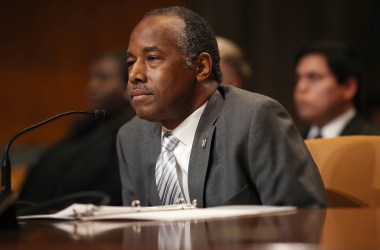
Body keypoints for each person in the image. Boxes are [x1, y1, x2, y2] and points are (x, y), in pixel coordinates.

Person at [117, 6, 328, 208]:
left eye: (152, 58)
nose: (135, 74)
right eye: (130, 62)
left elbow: (303, 216)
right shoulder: (131, 136)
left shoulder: (254, 118)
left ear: (201, 67)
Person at [20, 51, 135, 205]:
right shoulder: (82, 128)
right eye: (91, 78)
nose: (92, 86)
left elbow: (115, 190)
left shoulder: (130, 132)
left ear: (127, 86)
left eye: (103, 78)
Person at [294, 40, 380, 139]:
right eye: (298, 78)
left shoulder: (374, 142)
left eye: (314, 77)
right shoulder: (291, 141)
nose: (301, 87)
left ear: (349, 88)